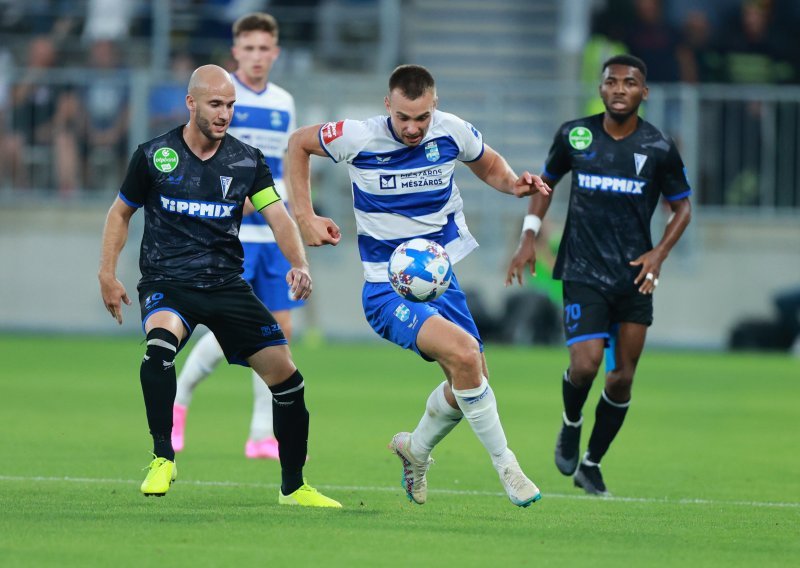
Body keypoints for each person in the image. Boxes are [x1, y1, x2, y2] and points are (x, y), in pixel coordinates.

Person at [286, 64, 551, 508]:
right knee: (466, 355)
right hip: (385, 289)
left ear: (435, 106)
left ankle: (416, 448)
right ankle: (508, 466)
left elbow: (488, 164)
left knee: (471, 376)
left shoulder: (451, 132)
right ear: (387, 104)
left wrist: (513, 184)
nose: (412, 128)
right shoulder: (358, 136)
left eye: (422, 118)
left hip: (439, 281)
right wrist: (305, 215)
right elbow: (298, 143)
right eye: (404, 117)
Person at [97, 64, 340, 507]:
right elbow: (120, 212)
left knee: (288, 380)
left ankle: (294, 487)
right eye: (215, 104)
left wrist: (299, 263)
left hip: (226, 284)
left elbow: (277, 215)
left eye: (230, 105)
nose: (225, 113)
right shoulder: (154, 155)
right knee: (160, 346)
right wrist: (107, 273)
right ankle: (162, 457)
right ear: (191, 103)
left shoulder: (246, 160)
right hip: (168, 279)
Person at [505, 54, 692, 496]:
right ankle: (571, 422)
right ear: (601, 88)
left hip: (634, 275)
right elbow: (545, 184)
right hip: (583, 269)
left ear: (644, 92)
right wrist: (529, 236)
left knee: (622, 378)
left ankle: (591, 463)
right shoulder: (575, 135)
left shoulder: (659, 147)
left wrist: (659, 254)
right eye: (612, 81)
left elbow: (682, 207)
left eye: (630, 83)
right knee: (585, 365)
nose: (620, 88)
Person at [172, 12, 304, 461]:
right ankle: (181, 398)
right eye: (248, 48)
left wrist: (295, 213)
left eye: (264, 48)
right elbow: (206, 160)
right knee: (232, 327)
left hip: (270, 233)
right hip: (230, 232)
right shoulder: (222, 96)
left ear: (275, 52)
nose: (256, 56)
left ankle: (260, 433)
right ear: (235, 51)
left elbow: (282, 170)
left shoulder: (284, 102)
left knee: (278, 329)